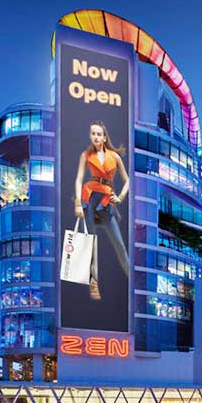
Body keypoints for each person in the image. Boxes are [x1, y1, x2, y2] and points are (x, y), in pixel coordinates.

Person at [74, 121, 130, 300]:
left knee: (119, 244)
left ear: (105, 137)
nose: (96, 137)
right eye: (93, 134)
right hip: (89, 197)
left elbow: (127, 180)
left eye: (99, 134)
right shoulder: (86, 155)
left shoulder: (114, 156)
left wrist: (120, 197)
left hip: (106, 199)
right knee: (90, 242)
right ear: (90, 135)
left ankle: (132, 278)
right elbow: (79, 179)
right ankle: (93, 283)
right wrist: (77, 203)